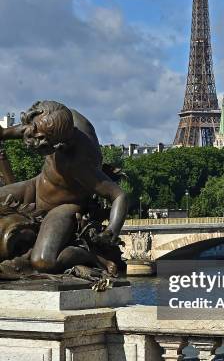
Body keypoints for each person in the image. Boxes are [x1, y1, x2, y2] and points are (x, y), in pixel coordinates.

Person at [0, 100, 128, 274]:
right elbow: (30, 129)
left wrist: (112, 230)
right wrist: (4, 133)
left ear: (58, 145)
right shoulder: (57, 118)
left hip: (63, 206)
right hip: (35, 186)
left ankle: (92, 256)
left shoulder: (80, 164)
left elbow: (118, 195)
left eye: (41, 145)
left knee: (43, 262)